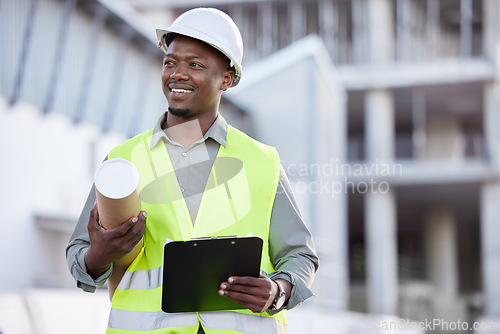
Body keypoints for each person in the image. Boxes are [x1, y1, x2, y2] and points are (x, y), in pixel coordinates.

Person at [66, 7, 318, 334]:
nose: (177, 73)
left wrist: (277, 291)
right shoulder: (124, 160)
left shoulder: (263, 161)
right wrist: (96, 258)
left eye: (195, 64)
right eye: (170, 62)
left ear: (227, 78)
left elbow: (299, 255)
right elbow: (79, 254)